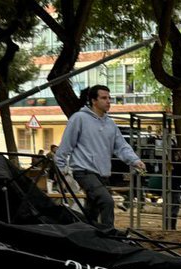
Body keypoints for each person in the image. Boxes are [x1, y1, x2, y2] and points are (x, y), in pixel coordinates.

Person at [55, 85, 145, 231]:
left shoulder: (110, 124)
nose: (108, 101)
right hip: (83, 171)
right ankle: (109, 237)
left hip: (103, 174)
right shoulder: (79, 119)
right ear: (93, 101)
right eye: (104, 98)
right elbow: (65, 146)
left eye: (109, 98)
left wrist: (135, 160)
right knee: (107, 202)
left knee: (92, 211)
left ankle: (84, 236)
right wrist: (62, 170)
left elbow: (121, 146)